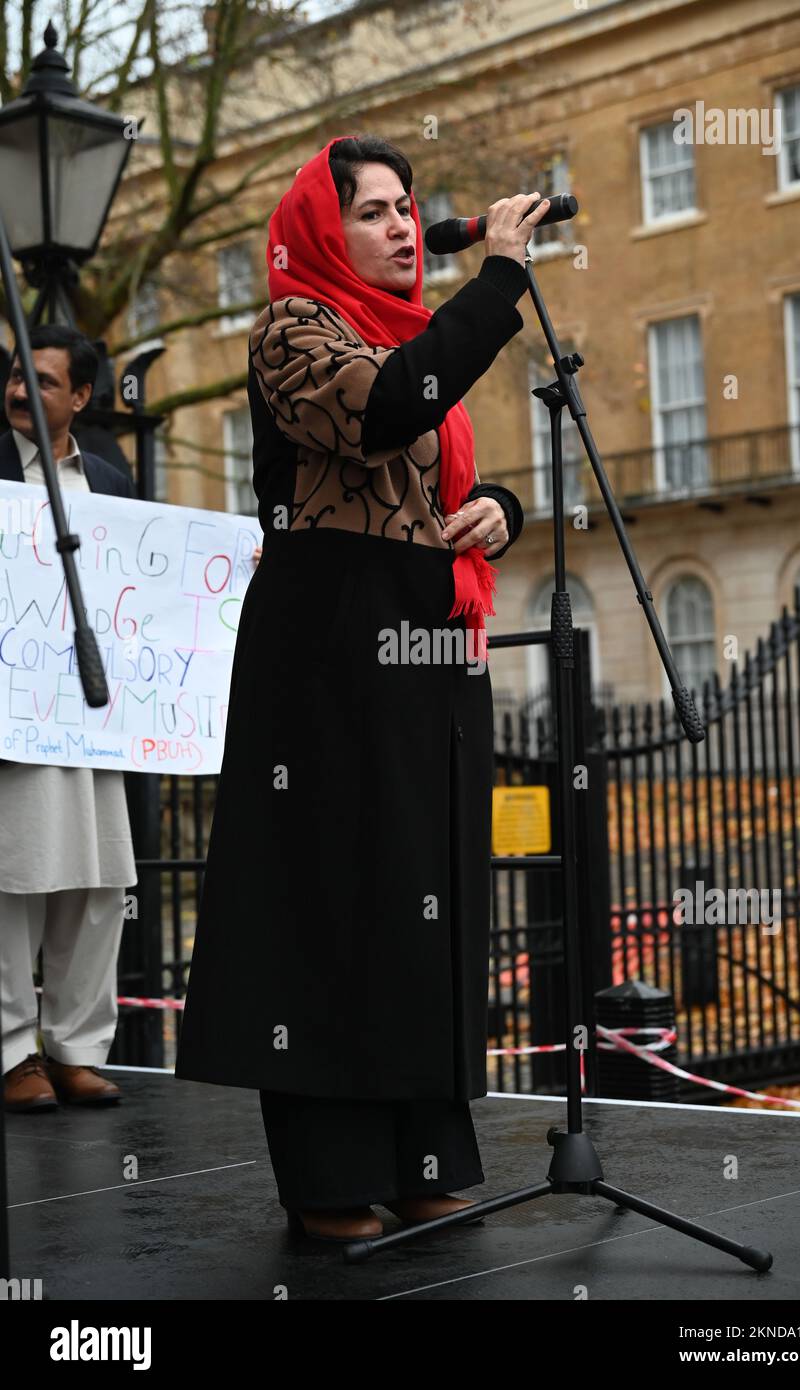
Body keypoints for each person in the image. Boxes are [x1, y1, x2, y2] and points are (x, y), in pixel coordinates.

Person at [174, 133, 546, 1243]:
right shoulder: (293, 329)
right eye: (374, 210)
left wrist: (503, 514)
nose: (399, 226)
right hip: (328, 653)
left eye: (407, 207)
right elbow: (383, 410)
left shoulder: (412, 336)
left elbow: (438, 473)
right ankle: (332, 1173)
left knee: (418, 900)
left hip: (426, 648)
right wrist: (499, 282)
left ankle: (427, 1152)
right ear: (320, 229)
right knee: (334, 900)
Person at [0, 325, 138, 1111]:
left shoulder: (113, 485)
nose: (21, 391)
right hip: (11, 715)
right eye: (17, 376)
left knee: (98, 880)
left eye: (43, 382)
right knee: (12, 878)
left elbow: (150, 588)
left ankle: (76, 1049)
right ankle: (13, 1054)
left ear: (81, 397)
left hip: (95, 716)